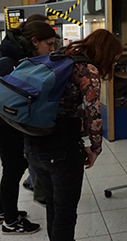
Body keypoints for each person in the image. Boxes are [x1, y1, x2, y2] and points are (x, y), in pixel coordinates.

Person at [23, 29, 122, 241]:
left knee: (53, 205)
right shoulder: (88, 70)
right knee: (65, 214)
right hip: (62, 149)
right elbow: (93, 116)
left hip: (34, 143)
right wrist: (95, 149)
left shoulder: (61, 57)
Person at [0, 20, 56, 235]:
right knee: (13, 170)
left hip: (5, 124)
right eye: (49, 44)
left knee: (11, 169)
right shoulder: (11, 62)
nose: (51, 49)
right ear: (34, 41)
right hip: (7, 126)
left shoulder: (10, 53)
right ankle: (11, 223)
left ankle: (4, 211)